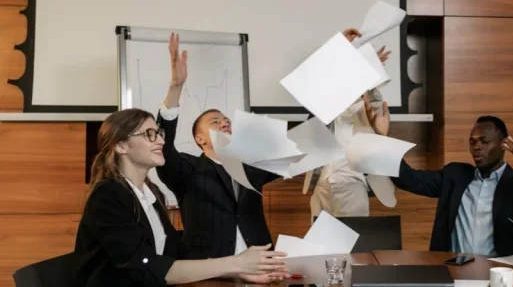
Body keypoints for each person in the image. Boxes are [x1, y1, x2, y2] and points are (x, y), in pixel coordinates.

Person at [75, 108, 290, 286]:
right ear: (121, 145)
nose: (160, 140)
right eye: (150, 134)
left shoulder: (151, 195)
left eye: (159, 134)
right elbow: (146, 264)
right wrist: (237, 264)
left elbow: (172, 255)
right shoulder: (108, 195)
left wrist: (238, 271)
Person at [155, 33, 281, 259]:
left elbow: (303, 147)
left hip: (261, 263)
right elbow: (163, 145)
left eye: (227, 121)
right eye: (215, 122)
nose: (224, 123)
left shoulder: (251, 166)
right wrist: (176, 87)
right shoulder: (188, 169)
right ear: (199, 139)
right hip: (209, 267)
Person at [390, 115, 513, 257]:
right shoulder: (455, 176)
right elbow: (409, 179)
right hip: (455, 274)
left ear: (504, 144)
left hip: (501, 276)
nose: (476, 147)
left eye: (484, 141)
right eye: (472, 142)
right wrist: (383, 136)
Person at [303, 28, 393, 218]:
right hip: (322, 183)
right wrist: (339, 47)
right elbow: (316, 79)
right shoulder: (326, 99)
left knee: (351, 245)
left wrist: (370, 71)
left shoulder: (371, 102)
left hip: (351, 183)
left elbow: (378, 122)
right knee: (317, 245)